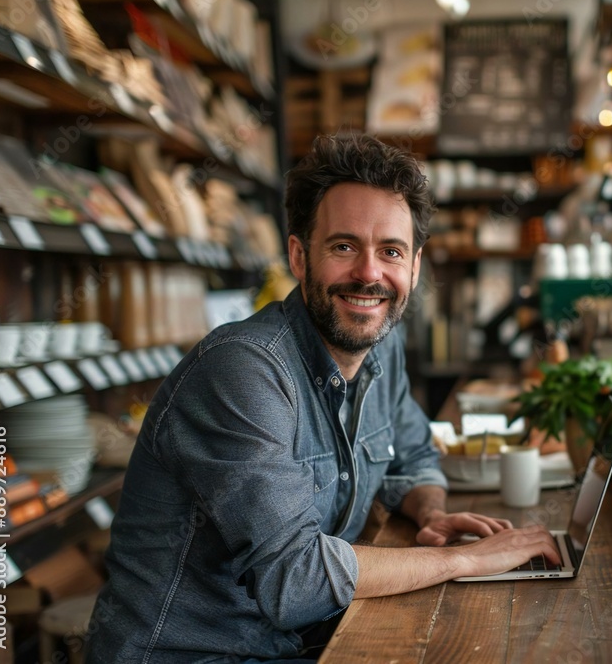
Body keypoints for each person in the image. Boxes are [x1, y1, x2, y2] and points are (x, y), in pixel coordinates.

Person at [84, 134, 560, 663]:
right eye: (343, 246)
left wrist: (433, 511)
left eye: (391, 252)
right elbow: (297, 579)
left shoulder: (383, 345)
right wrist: (466, 560)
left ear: (415, 268)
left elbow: (414, 453)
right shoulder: (243, 371)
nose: (370, 273)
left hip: (302, 643)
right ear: (298, 255)